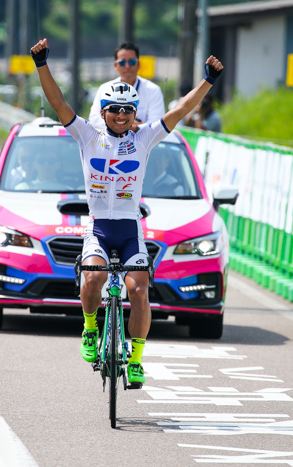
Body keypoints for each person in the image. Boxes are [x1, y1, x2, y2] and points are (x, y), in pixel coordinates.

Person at [31, 38, 223, 386]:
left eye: (128, 110)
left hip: (130, 229)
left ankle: (135, 358)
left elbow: (179, 110)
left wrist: (207, 80)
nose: (121, 115)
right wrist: (41, 64)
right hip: (100, 228)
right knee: (93, 277)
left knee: (138, 291)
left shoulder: (145, 137)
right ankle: (90, 329)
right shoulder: (88, 136)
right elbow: (58, 101)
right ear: (102, 111)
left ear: (135, 113)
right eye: (114, 109)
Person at [87, 42, 165, 132]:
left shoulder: (153, 90)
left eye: (132, 62)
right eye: (122, 62)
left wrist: (120, 124)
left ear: (139, 64)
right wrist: (133, 125)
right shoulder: (105, 88)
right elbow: (94, 120)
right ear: (115, 66)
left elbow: (157, 124)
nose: (127, 66)